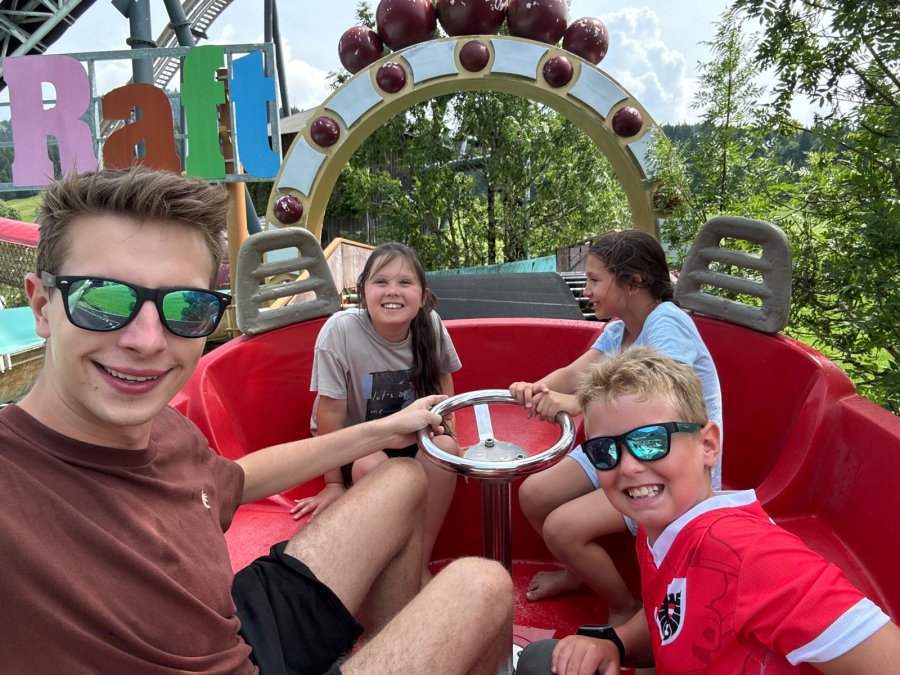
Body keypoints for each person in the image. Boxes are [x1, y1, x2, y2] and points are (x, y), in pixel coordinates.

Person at [0, 167, 513, 674]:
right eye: (104, 299)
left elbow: (237, 479)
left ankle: (390, 640)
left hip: (234, 623)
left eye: (187, 306)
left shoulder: (163, 428)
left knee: (402, 478)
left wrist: (383, 429)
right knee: (482, 586)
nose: (147, 341)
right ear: (42, 306)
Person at [516, 346, 900, 674]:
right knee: (542, 660)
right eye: (605, 451)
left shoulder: (751, 556)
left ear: (708, 446)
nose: (628, 466)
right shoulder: (662, 528)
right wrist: (615, 643)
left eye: (651, 442)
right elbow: (672, 614)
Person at [510, 230, 722, 623]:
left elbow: (649, 400)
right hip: (622, 448)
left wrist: (573, 404)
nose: (586, 290)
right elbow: (573, 374)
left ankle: (623, 605)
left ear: (633, 282)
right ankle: (579, 571)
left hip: (663, 458)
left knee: (560, 528)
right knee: (534, 495)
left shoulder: (668, 324)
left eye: (594, 280)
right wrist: (536, 388)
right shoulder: (618, 329)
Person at [290, 242, 462, 579]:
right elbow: (330, 412)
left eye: (405, 282)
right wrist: (333, 482)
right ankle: (388, 567)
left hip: (411, 433)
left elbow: (443, 380)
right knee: (373, 465)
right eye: (381, 282)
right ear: (362, 292)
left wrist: (452, 432)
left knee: (446, 451)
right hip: (354, 441)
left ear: (423, 296)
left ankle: (418, 562)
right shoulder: (340, 331)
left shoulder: (431, 325)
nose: (392, 291)